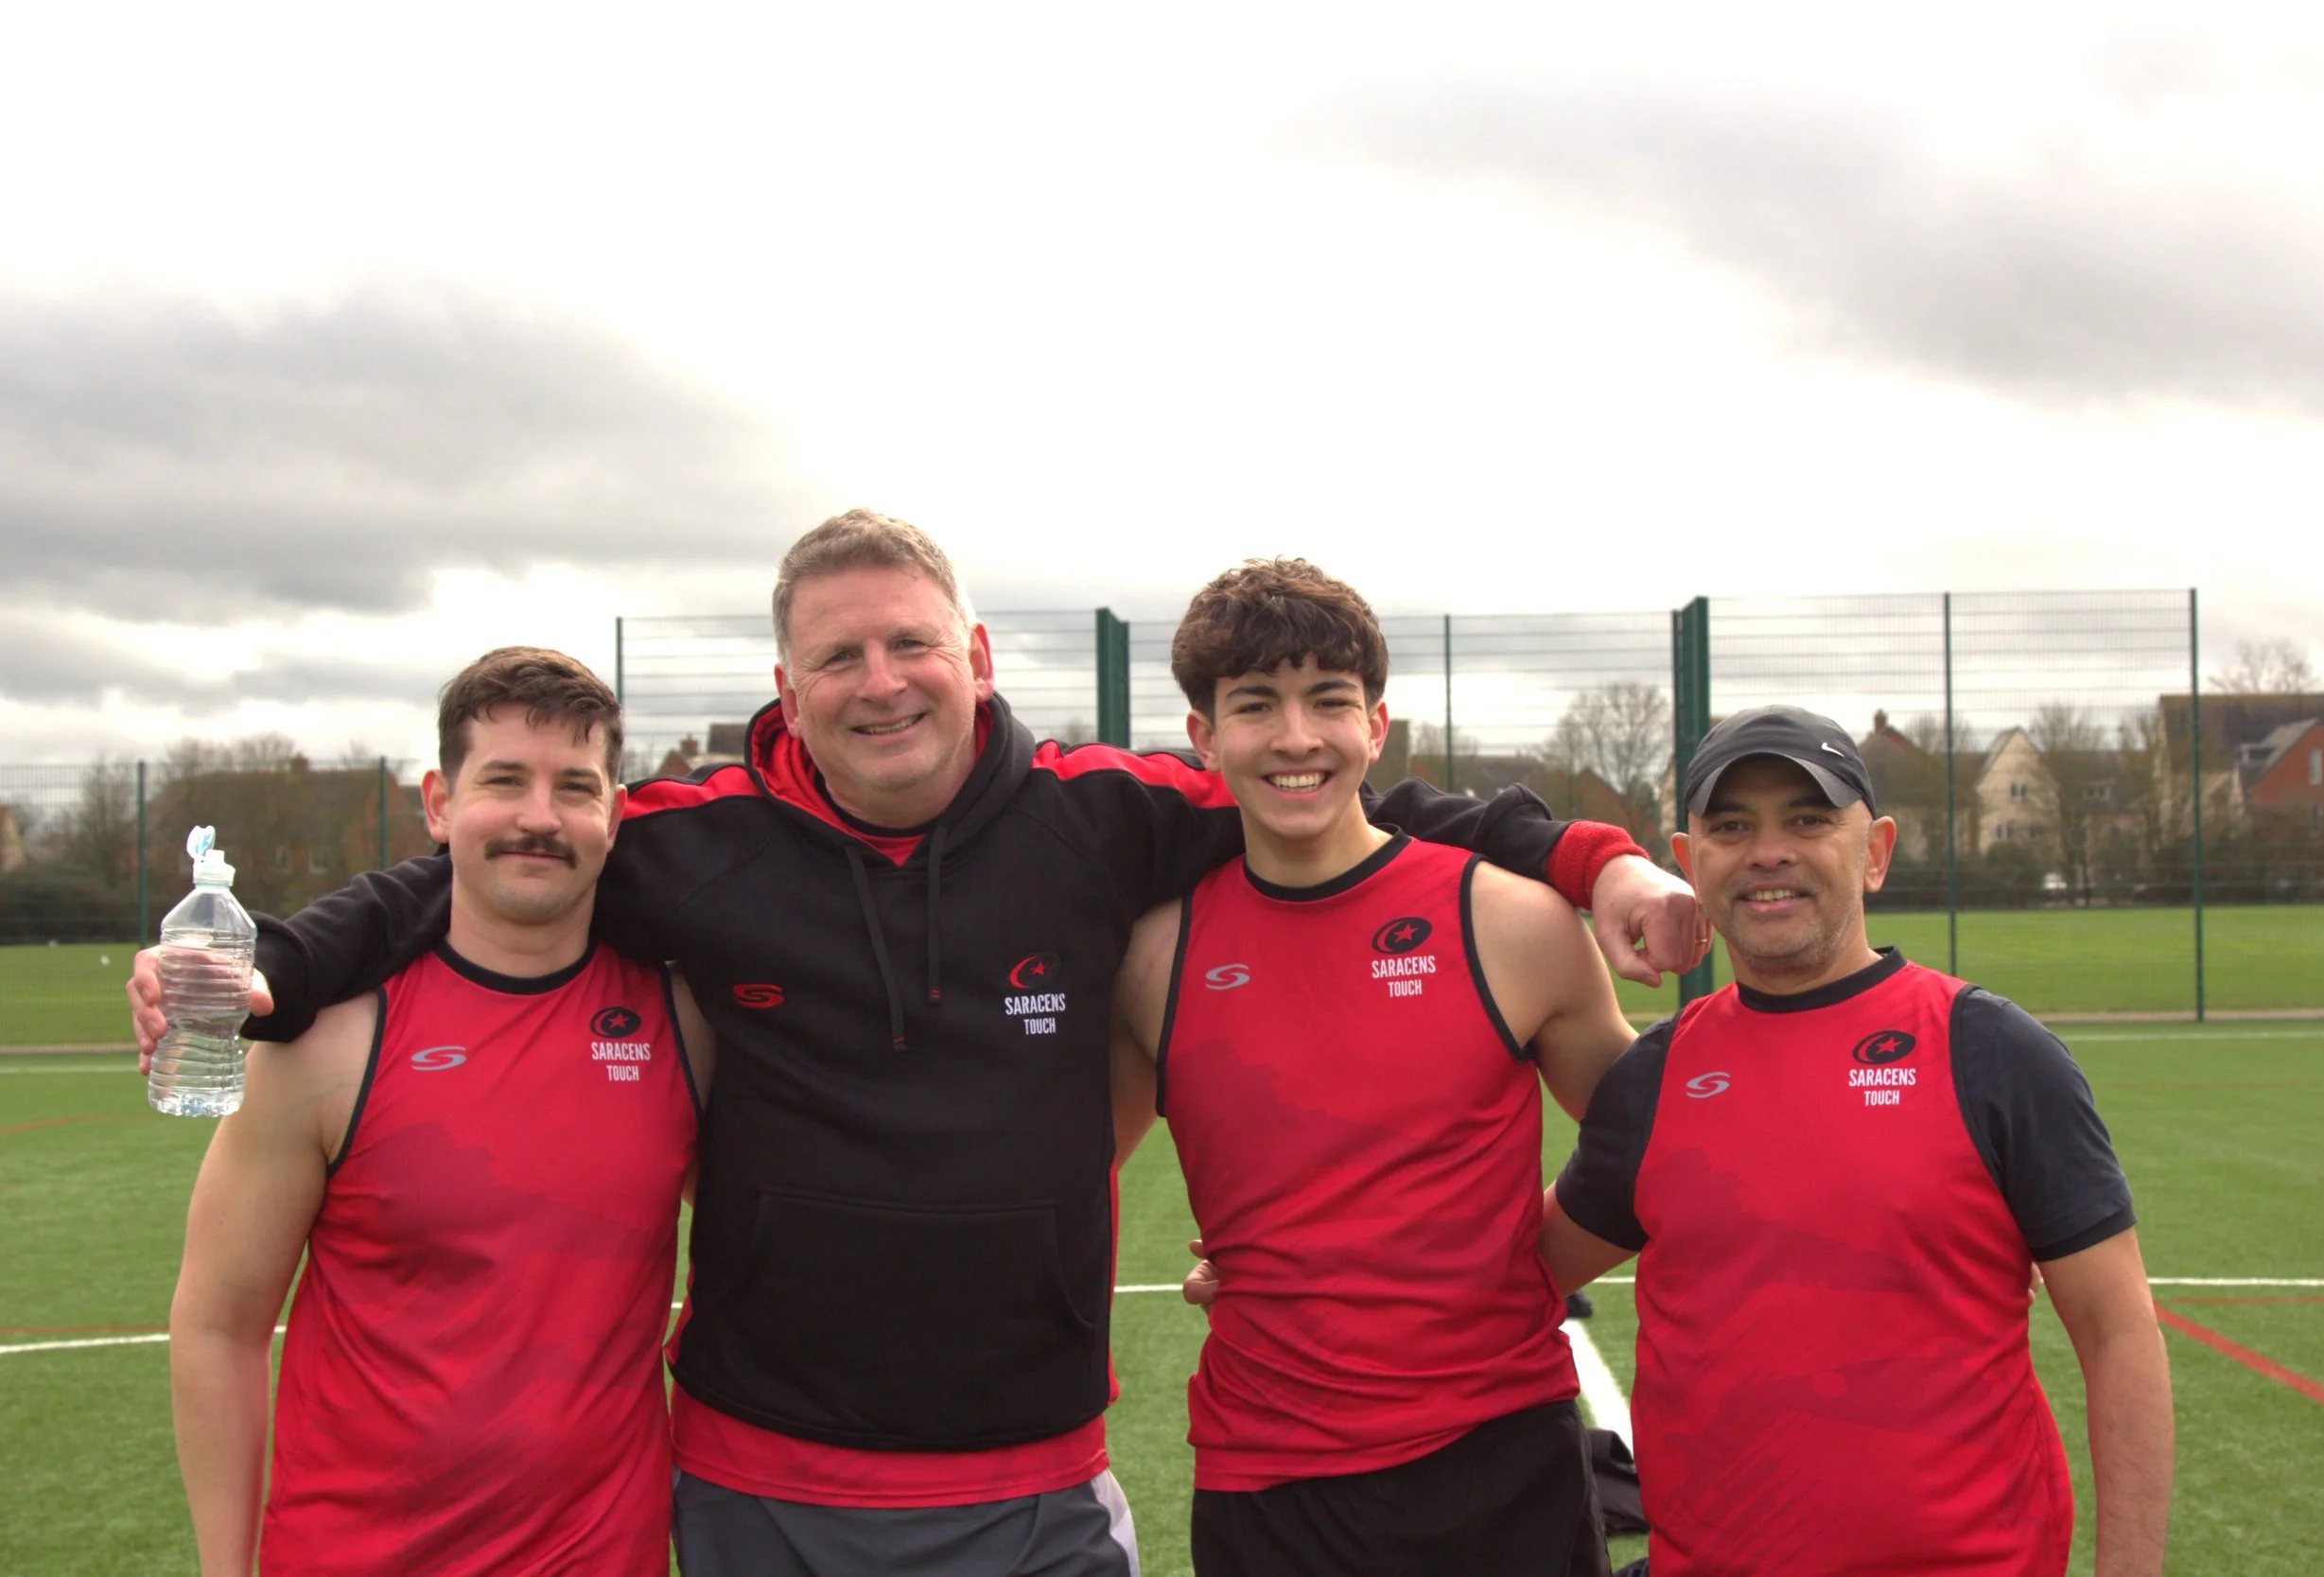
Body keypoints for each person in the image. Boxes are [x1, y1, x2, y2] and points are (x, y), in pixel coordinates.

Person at [133, 510, 1703, 1577]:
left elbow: (1343, 791)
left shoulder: (1104, 813)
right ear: (788, 687)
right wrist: (270, 955)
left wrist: (1591, 858)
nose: (880, 683)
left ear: (974, 656)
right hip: (760, 1482)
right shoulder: (687, 841)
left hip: (1034, 1477)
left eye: (907, 645)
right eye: (839, 657)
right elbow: (484, 854)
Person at [1541, 705, 2174, 1577]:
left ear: (1874, 850)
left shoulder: (1988, 1051)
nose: (1769, 851)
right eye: (1732, 826)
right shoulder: (1655, 1080)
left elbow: (2120, 1334)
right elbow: (1519, 1272)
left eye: (1807, 818)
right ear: (1689, 863)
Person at [1108, 559, 1636, 1577]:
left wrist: (1540, 1256)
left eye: (1328, 701)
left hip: (1502, 1460)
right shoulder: (1151, 957)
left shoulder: (1510, 920)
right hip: (1268, 1484)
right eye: (1255, 704)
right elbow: (1059, 1183)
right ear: (1204, 735)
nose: (1296, 737)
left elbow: (1657, 1139)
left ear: (1376, 724)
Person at [167, 648, 711, 1576]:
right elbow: (219, 1325)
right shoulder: (325, 1043)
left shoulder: (686, 1026)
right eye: (504, 779)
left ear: (614, 814)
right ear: (439, 801)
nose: (539, 817)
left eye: (574, 786)